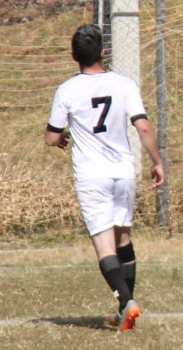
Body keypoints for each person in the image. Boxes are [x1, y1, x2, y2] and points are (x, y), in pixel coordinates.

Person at [45, 24, 165, 332]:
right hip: (123, 171)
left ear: (74, 56)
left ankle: (127, 302)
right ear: (103, 52)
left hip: (92, 175)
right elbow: (143, 126)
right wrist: (157, 161)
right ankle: (124, 309)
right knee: (123, 240)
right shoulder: (124, 83)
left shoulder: (67, 90)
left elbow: (51, 137)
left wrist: (63, 138)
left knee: (104, 246)